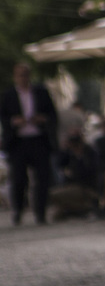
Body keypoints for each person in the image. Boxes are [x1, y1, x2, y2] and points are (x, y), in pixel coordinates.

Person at [2, 62, 58, 226]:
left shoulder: (41, 92)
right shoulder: (8, 95)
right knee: (19, 179)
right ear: (15, 77)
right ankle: (18, 211)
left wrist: (43, 119)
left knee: (42, 178)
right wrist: (14, 121)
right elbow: (4, 117)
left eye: (25, 74)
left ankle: (40, 213)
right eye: (20, 75)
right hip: (18, 142)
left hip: (38, 140)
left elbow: (52, 115)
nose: (23, 78)